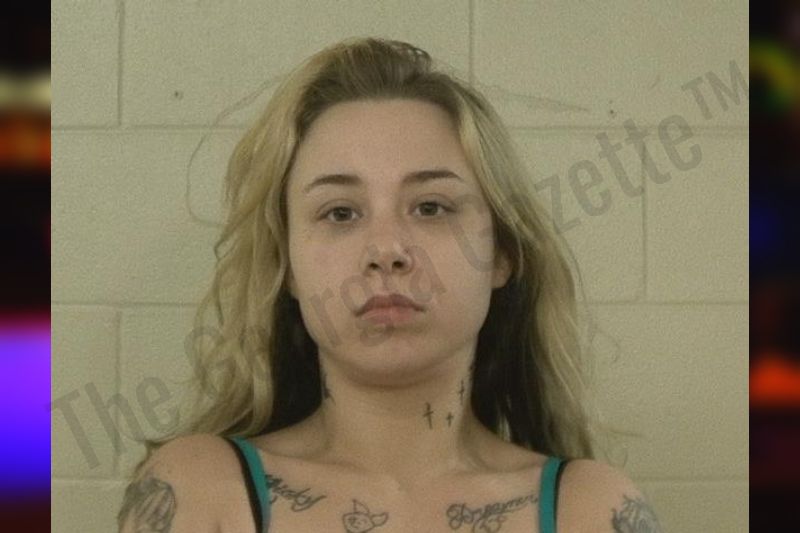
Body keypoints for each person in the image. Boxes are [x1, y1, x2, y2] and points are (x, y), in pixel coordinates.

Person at [117, 37, 662, 533]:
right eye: (339, 212)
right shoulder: (201, 489)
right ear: (287, 266)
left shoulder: (590, 508)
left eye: (431, 207)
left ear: (502, 254)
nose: (386, 250)